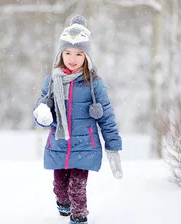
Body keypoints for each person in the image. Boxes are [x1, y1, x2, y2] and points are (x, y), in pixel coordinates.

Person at [33, 14, 123, 224]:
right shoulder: (52, 81)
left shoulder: (94, 84)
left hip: (85, 145)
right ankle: (63, 206)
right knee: (60, 188)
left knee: (77, 189)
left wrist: (112, 143)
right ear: (61, 54)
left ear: (87, 57)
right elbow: (41, 110)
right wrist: (43, 116)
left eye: (78, 54)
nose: (72, 59)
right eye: (67, 53)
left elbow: (107, 116)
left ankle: (79, 218)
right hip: (59, 144)